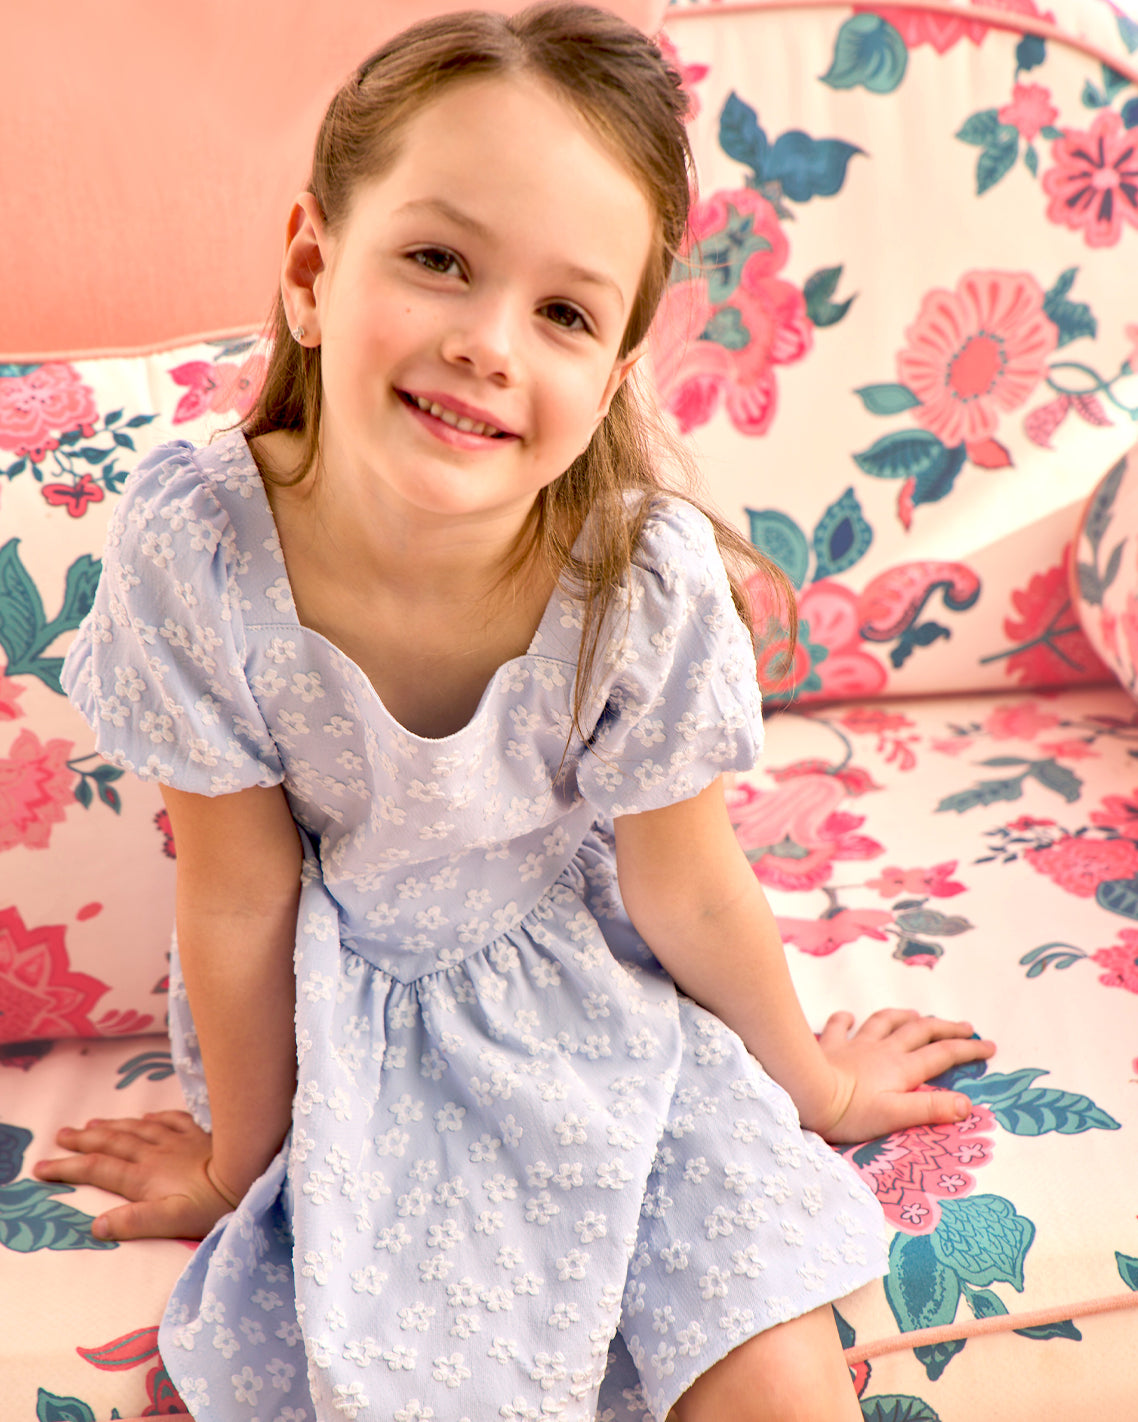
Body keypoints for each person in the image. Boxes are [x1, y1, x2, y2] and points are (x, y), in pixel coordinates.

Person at [36, 6, 994, 1419]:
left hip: (596, 1001)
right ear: (312, 266)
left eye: (561, 312)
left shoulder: (633, 579)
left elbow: (690, 885)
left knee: (783, 1388)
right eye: (436, 261)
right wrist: (245, 1165)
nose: (488, 344)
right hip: (353, 1020)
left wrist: (815, 1086)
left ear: (609, 372)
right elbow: (237, 897)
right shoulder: (199, 547)